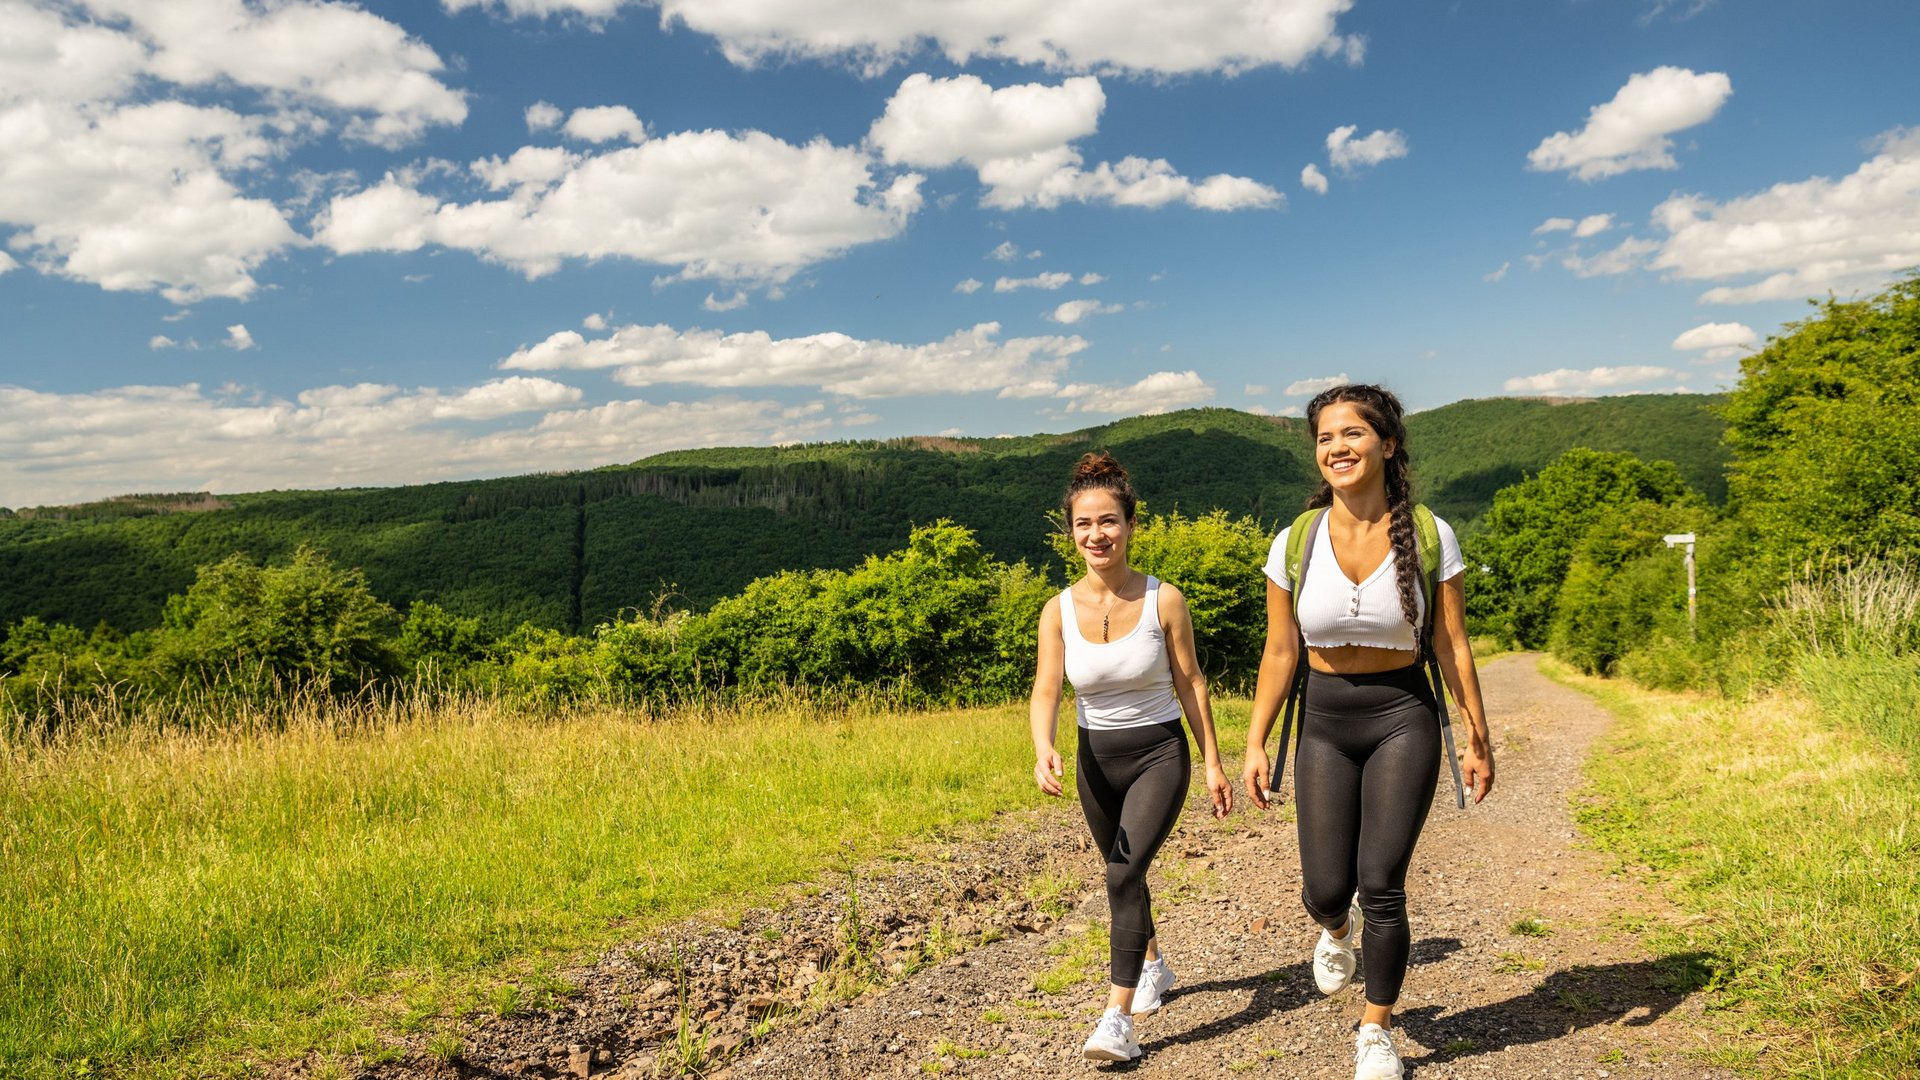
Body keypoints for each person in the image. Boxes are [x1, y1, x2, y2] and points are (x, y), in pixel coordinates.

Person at [1241, 384, 1495, 1080]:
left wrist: (1478, 733)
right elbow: (1279, 652)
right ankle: (1336, 930)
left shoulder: (1431, 534)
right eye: (1325, 437)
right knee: (1325, 890)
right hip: (1323, 718)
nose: (1337, 448)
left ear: (1386, 444)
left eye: (1353, 434)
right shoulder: (1295, 541)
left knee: (1381, 880)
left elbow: (1451, 645)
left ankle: (1376, 1029)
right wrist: (1256, 741)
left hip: (1402, 715)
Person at [1029, 451, 1233, 1063]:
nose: (1097, 534)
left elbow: (1192, 682)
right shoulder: (1057, 609)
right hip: (1096, 759)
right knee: (1127, 874)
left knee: (1120, 870)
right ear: (1071, 532)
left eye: (1109, 521)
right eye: (1084, 524)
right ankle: (1152, 964)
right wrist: (1044, 746)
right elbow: (1045, 688)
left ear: (1130, 524)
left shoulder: (1164, 600)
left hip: (1157, 754)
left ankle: (1116, 1019)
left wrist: (1214, 762)